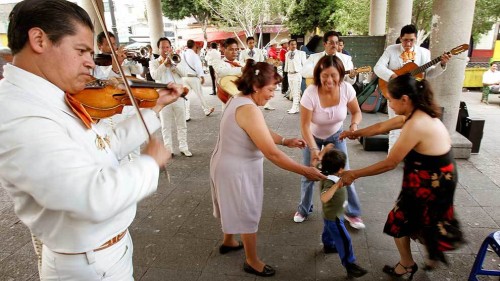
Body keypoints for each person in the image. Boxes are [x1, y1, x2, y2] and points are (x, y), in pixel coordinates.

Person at [0, 0, 182, 279]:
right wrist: (149, 163)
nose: (91, 62)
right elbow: (93, 197)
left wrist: (155, 107)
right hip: (87, 265)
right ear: (39, 40)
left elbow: (102, 144)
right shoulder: (21, 113)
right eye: (81, 50)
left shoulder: (50, 96)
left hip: (105, 253)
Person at [340, 74, 465, 278]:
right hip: (432, 176)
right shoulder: (415, 113)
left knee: (401, 221)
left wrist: (354, 173)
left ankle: (407, 263)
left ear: (404, 99)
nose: (389, 103)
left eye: (390, 99)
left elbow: (390, 163)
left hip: (433, 181)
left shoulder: (416, 124)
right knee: (425, 220)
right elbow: (382, 127)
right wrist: (357, 133)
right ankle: (429, 256)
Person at [210, 60, 325, 277]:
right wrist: (305, 171)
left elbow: (259, 130)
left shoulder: (239, 99)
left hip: (226, 164)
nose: (273, 94)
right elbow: (271, 154)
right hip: (237, 170)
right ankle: (252, 261)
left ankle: (229, 241)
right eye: (271, 89)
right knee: (247, 211)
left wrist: (285, 140)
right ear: (255, 86)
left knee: (231, 204)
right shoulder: (248, 108)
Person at [294, 55, 364, 230]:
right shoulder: (311, 92)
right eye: (325, 75)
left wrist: (354, 125)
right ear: (318, 75)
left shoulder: (347, 89)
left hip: (337, 136)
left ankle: (353, 213)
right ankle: (304, 209)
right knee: (309, 174)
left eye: (334, 75)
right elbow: (304, 125)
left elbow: (356, 112)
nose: (329, 80)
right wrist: (313, 148)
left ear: (341, 74)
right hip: (313, 137)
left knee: (345, 173)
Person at [374, 24, 450, 150]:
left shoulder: (424, 52)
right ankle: (392, 157)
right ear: (400, 38)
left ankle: (410, 157)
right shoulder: (391, 50)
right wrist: (394, 77)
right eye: (405, 40)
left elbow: (429, 73)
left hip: (415, 96)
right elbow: (378, 68)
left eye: (411, 40)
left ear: (415, 39)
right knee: (395, 128)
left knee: (415, 126)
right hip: (397, 94)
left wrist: (441, 64)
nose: (408, 43)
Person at [317, 144, 367, 278]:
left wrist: (325, 150)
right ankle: (350, 264)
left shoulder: (325, 172)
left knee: (328, 230)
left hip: (330, 214)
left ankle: (328, 245)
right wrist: (337, 186)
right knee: (345, 239)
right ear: (340, 169)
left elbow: (317, 162)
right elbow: (324, 197)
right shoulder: (329, 182)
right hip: (335, 217)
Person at [150, 37, 193, 157]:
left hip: (178, 96)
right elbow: (154, 75)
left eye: (167, 47)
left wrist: (174, 65)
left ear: (171, 48)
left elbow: (184, 73)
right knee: (165, 125)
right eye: (162, 47)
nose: (165, 49)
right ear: (158, 49)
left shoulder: (177, 59)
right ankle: (169, 149)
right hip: (164, 98)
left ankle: (184, 147)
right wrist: (164, 64)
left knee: (182, 123)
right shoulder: (154, 62)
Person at [182, 39, 214, 119]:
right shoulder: (194, 55)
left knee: (186, 97)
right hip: (193, 77)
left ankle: (186, 115)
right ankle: (207, 110)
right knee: (200, 95)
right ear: (194, 46)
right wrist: (202, 76)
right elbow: (198, 67)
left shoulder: (183, 54)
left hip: (184, 77)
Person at [284, 39, 307, 114]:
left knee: (296, 92)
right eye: (292, 44)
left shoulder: (301, 53)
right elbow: (286, 64)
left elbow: (305, 64)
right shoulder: (287, 54)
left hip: (297, 74)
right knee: (293, 91)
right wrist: (287, 72)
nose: (293, 46)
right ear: (289, 45)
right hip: (289, 74)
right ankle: (296, 108)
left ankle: (294, 108)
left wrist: (303, 74)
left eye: (295, 44)